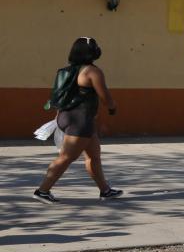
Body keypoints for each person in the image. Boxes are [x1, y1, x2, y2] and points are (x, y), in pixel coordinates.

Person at [34, 37, 122, 203]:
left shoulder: (65, 71)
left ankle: (105, 191)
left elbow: (61, 97)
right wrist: (112, 107)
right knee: (66, 157)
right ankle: (42, 190)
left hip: (66, 117)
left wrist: (58, 118)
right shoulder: (92, 71)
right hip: (80, 121)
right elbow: (105, 97)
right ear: (91, 52)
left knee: (93, 156)